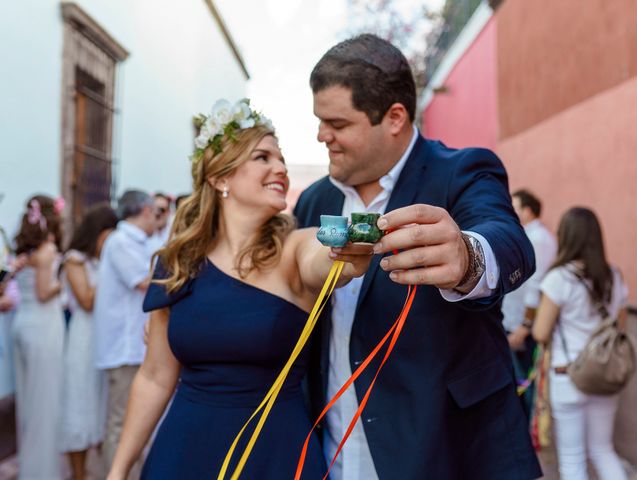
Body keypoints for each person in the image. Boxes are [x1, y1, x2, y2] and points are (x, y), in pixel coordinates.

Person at [294, 34, 542, 479]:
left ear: (394, 117)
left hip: (445, 451)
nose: (320, 135)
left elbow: (509, 241)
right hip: (332, 450)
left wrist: (468, 257)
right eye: (318, 120)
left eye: (337, 123)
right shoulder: (311, 201)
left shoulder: (462, 170)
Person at [106, 99, 373, 479]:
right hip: (183, 451)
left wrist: (347, 249)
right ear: (220, 178)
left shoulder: (294, 248)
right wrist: (117, 471)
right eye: (262, 157)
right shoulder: (177, 262)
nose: (280, 168)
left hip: (274, 454)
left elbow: (327, 258)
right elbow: (154, 378)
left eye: (281, 159)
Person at [532, 207, 628, 480]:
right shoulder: (614, 275)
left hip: (568, 375)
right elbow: (620, 326)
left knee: (573, 460)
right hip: (605, 372)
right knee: (603, 450)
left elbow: (540, 332)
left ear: (566, 236)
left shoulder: (558, 278)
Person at [94, 190, 156, 477]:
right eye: (155, 212)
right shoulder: (120, 243)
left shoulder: (141, 242)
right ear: (144, 210)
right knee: (120, 421)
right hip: (123, 347)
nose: (157, 219)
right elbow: (146, 282)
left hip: (135, 347)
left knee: (137, 420)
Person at [60, 204, 118, 480]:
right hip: (82, 341)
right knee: (78, 404)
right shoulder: (74, 260)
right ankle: (78, 474)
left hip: (103, 339)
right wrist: (110, 268)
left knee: (98, 406)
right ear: (98, 232)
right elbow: (86, 300)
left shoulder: (99, 260)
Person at [11, 195, 65, 478]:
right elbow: (45, 293)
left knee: (28, 403)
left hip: (22, 323)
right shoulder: (46, 252)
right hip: (43, 327)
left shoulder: (23, 250)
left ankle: (31, 468)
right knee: (44, 403)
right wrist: (63, 279)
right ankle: (41, 473)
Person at [502, 189, 557, 414]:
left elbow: (535, 286)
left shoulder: (539, 239)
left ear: (528, 210)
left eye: (515, 207)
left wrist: (524, 327)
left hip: (523, 327)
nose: (511, 211)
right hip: (513, 322)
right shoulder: (527, 235)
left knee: (523, 387)